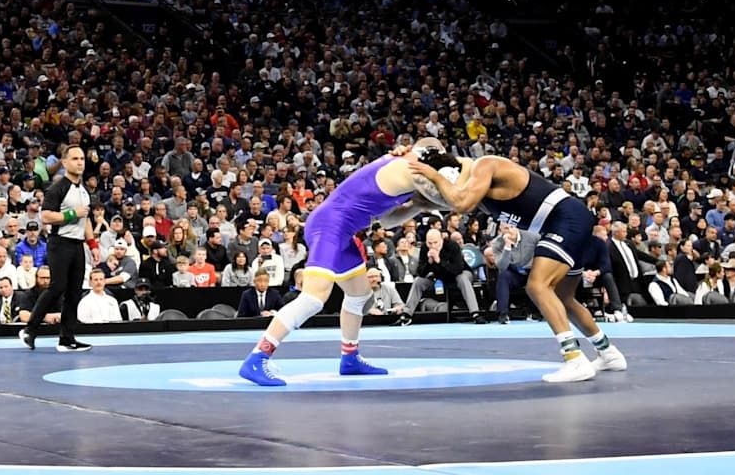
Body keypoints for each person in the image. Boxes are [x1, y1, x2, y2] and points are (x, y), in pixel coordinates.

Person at [407, 148, 626, 383]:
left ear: (451, 174)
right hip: (569, 221)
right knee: (563, 297)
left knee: (537, 286)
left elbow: (460, 202)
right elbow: (438, 200)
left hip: (565, 220)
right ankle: (608, 353)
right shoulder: (478, 191)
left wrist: (434, 176)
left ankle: (575, 359)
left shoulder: (485, 165)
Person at [238, 139, 443, 387]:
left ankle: (350, 358)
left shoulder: (407, 177)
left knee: (359, 295)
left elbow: (388, 221)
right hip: (330, 225)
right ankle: (257, 358)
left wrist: (418, 205)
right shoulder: (403, 168)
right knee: (313, 298)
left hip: (343, 231)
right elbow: (446, 192)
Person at [20, 144, 96, 353]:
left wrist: (93, 244)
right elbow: (45, 217)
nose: (80, 162)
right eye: (75, 159)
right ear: (64, 162)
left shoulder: (83, 190)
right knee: (57, 286)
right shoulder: (58, 187)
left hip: (77, 244)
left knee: (74, 292)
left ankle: (67, 338)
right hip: (60, 242)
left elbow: (86, 217)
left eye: (82, 158)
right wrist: (72, 214)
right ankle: (30, 329)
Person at [397, 226, 484, 322]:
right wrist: (429, 263)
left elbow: (457, 269)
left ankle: (475, 313)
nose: (432, 246)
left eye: (435, 242)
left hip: (459, 275)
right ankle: (407, 314)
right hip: (438, 277)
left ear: (441, 239)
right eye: (429, 243)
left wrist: (439, 261)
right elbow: (420, 273)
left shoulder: (452, 246)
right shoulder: (425, 248)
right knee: (418, 282)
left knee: (462, 278)